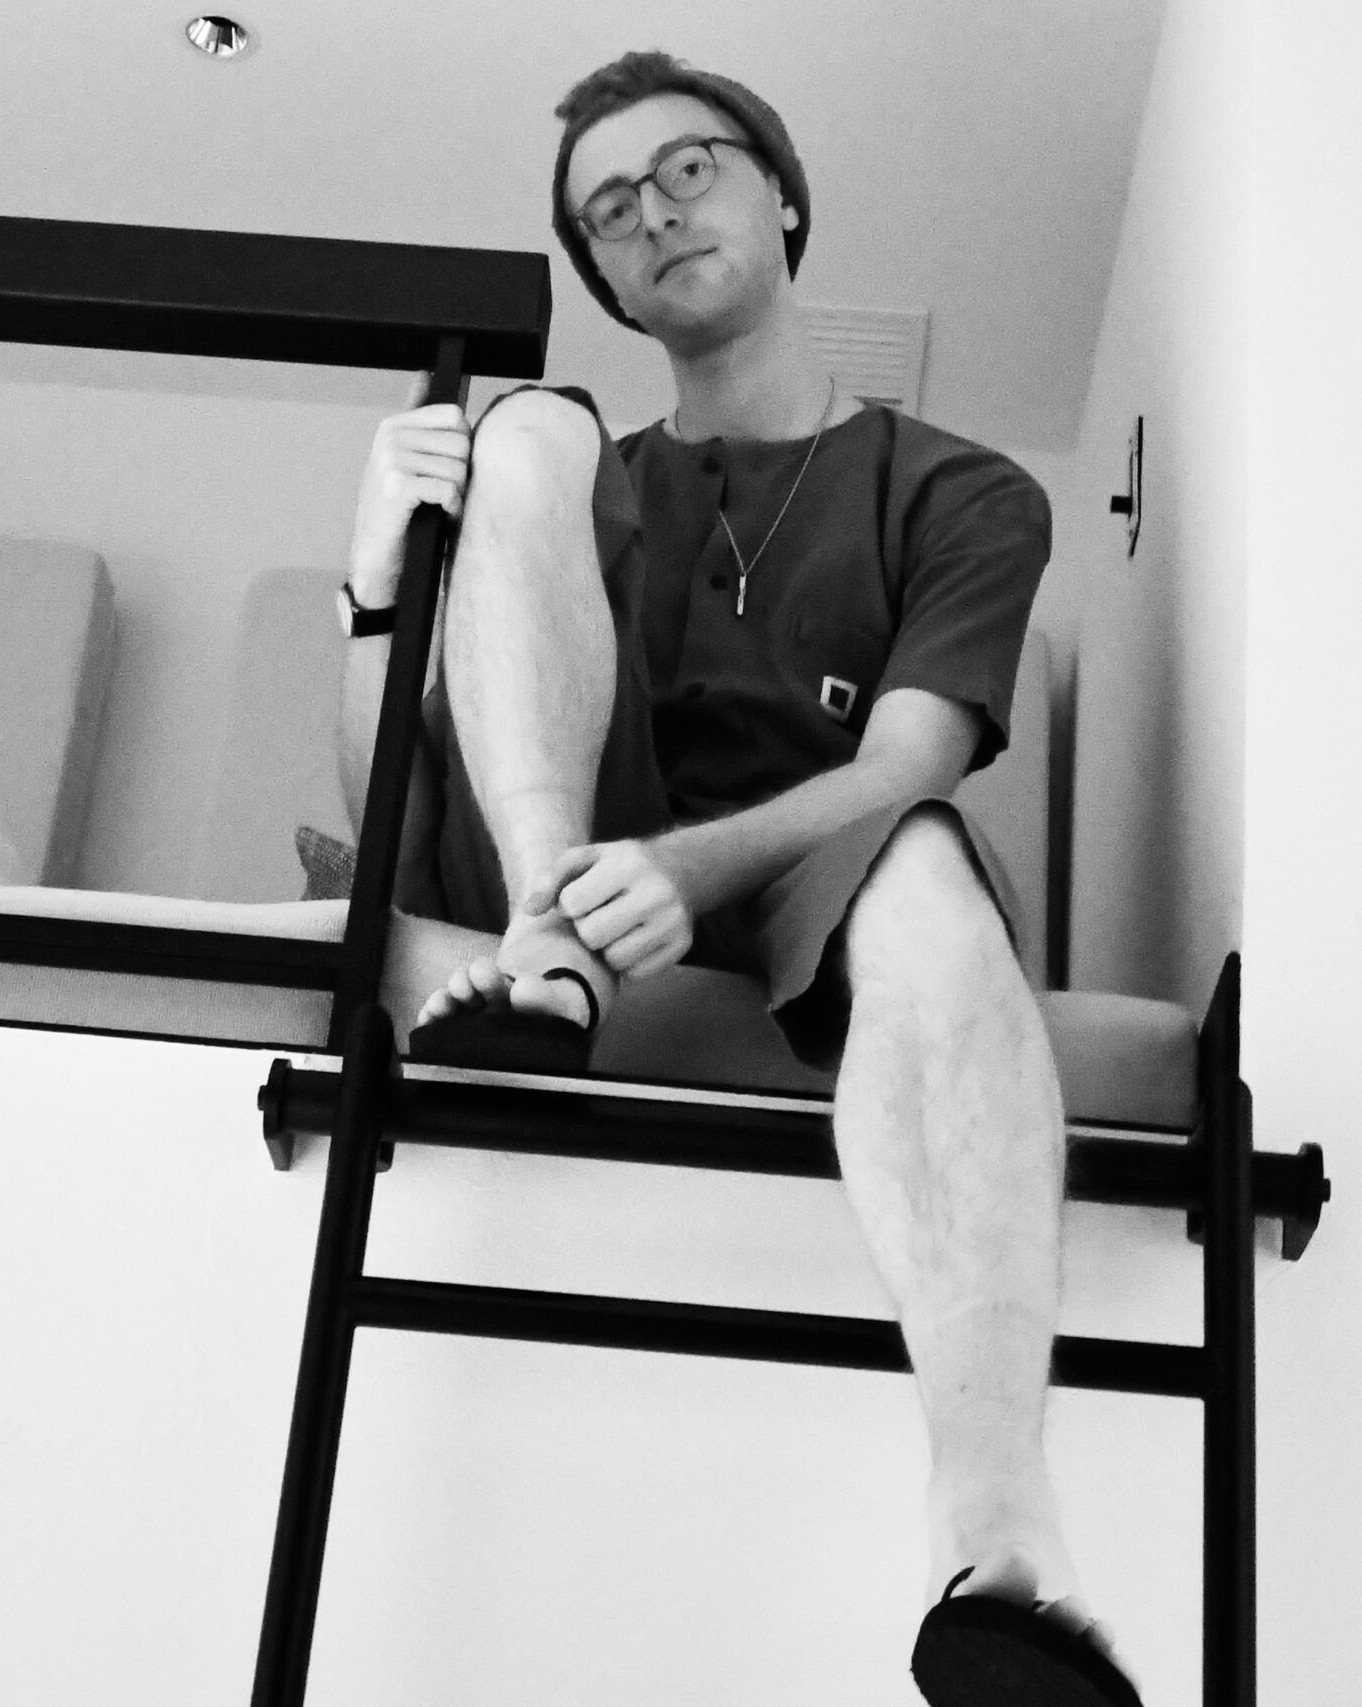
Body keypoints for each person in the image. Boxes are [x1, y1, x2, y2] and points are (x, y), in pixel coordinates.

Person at [336, 50, 1141, 1707]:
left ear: (781, 192)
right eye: (608, 211)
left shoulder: (961, 490)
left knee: (925, 865)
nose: (652, 214)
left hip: (801, 876)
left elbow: (907, 765)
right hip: (554, 850)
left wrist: (675, 869)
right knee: (525, 425)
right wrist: (375, 592)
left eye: (687, 168)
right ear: (605, 274)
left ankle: (1000, 1539)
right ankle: (549, 949)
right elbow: (380, 809)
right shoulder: (571, 482)